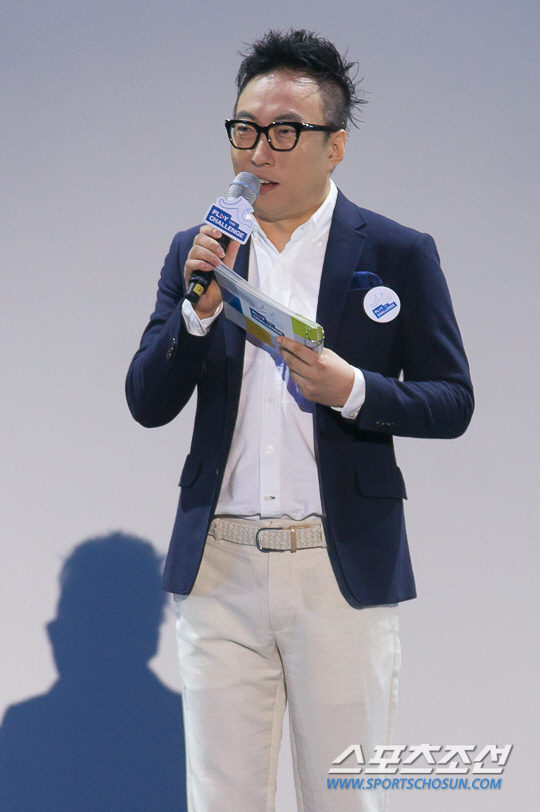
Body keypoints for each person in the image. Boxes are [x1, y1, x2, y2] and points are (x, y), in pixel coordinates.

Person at [126, 29, 473, 812]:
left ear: (335, 145)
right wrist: (197, 314)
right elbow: (147, 400)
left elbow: (453, 399)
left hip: (338, 568)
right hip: (219, 568)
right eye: (244, 129)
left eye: (285, 132)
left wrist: (355, 390)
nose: (259, 152)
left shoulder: (397, 252)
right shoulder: (199, 251)